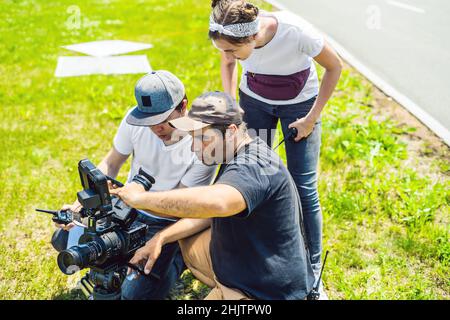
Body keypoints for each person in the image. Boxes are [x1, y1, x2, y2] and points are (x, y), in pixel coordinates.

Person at [110, 91, 315, 300]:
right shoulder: (231, 152)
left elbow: (217, 203)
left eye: (202, 138)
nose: (193, 147)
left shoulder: (255, 165)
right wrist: (161, 237)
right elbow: (207, 213)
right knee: (184, 232)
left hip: (262, 292)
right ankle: (187, 262)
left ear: (231, 131)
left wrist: (141, 199)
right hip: (240, 265)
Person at [208, 0, 343, 293]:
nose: (228, 55)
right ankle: (258, 257)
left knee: (302, 185)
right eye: (223, 49)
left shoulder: (296, 32)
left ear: (251, 37)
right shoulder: (232, 44)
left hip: (301, 107)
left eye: (232, 49)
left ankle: (313, 269)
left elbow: (335, 68)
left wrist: (310, 119)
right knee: (255, 178)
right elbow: (229, 62)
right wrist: (232, 104)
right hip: (255, 103)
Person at [54, 70, 216, 299]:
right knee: (67, 239)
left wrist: (135, 198)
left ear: (183, 106)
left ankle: (179, 259)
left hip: (167, 221)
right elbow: (111, 163)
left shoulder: (202, 143)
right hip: (127, 205)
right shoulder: (135, 119)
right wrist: (78, 206)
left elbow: (181, 205)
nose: (155, 128)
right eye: (149, 121)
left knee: (134, 294)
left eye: (162, 121)